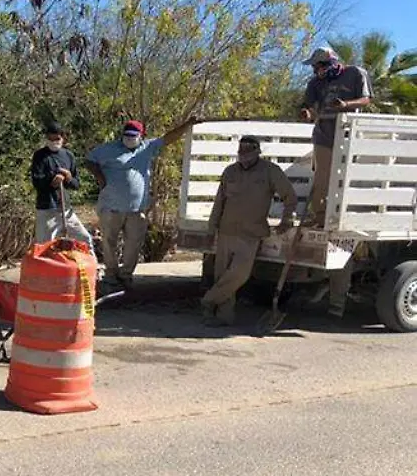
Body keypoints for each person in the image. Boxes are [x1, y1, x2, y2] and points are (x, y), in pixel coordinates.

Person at [85, 116, 199, 289]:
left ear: (141, 135)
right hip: (111, 207)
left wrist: (188, 124)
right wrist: (100, 177)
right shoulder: (108, 149)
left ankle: (126, 275)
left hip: (137, 209)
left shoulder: (147, 148)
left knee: (134, 243)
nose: (130, 139)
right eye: (127, 135)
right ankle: (111, 275)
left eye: (133, 135)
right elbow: (89, 160)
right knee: (109, 242)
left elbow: (169, 138)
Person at [201, 136, 298, 326]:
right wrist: (211, 229)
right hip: (226, 230)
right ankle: (222, 317)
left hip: (250, 234)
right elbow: (219, 202)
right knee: (222, 275)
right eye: (241, 152)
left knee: (239, 275)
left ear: (257, 152)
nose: (244, 156)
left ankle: (208, 300)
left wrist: (287, 218)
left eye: (248, 152)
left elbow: (289, 196)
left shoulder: (270, 171)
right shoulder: (230, 172)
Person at [300, 46, 372, 226]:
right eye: (314, 68)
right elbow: (310, 107)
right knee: (322, 176)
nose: (316, 70)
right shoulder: (314, 83)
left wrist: (345, 104)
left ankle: (343, 215)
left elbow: (366, 99)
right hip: (324, 132)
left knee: (345, 175)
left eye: (318, 66)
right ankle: (320, 216)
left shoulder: (355, 73)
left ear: (331, 63)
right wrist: (307, 114)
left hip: (349, 133)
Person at [29, 121, 94, 250]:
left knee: (85, 239)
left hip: (66, 209)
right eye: (50, 139)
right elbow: (37, 181)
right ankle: (43, 269)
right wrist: (52, 179)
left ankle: (91, 268)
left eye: (57, 139)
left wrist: (68, 178)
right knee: (44, 246)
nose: (54, 142)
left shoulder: (68, 155)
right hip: (47, 209)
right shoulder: (40, 156)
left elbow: (76, 184)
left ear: (63, 137)